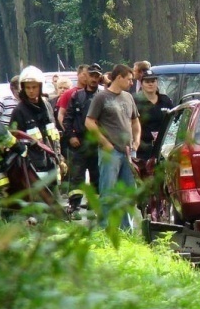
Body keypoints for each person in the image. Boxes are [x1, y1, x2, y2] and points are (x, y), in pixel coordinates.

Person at [85, 64, 141, 230]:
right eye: (129, 79)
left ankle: (126, 230)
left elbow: (135, 121)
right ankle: (104, 229)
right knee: (108, 192)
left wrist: (136, 140)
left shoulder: (128, 97)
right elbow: (89, 122)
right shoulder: (101, 97)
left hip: (128, 152)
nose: (132, 82)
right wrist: (105, 143)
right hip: (110, 152)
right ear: (119, 77)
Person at [9, 66, 63, 190]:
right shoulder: (19, 111)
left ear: (40, 87)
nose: (31, 91)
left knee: (55, 199)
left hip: (51, 162)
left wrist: (59, 158)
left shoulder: (47, 106)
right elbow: (14, 140)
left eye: (34, 87)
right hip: (32, 166)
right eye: (27, 87)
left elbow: (53, 135)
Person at [63, 63, 104, 212]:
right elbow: (67, 119)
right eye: (91, 75)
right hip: (79, 143)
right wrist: (71, 136)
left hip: (97, 142)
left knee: (97, 175)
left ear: (100, 78)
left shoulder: (104, 96)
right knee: (77, 176)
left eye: (96, 76)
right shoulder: (76, 96)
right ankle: (74, 206)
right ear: (86, 76)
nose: (93, 79)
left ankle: (95, 206)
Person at [134, 68, 174, 161]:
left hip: (164, 148)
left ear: (157, 83)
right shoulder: (135, 101)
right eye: (147, 82)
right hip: (143, 149)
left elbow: (174, 121)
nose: (150, 84)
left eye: (153, 81)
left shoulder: (165, 100)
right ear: (142, 84)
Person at [56, 65, 91, 129]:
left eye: (89, 75)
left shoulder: (92, 94)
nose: (86, 77)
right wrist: (67, 130)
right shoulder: (68, 93)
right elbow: (61, 114)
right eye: (84, 74)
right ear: (78, 74)